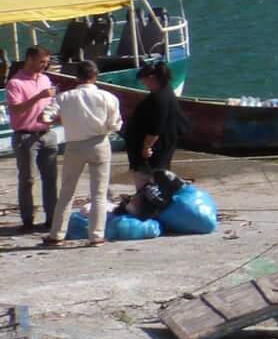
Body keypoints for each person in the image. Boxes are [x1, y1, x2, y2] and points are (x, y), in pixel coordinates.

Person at [49, 61, 122, 246]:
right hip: (99, 143)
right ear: (95, 76)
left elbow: (46, 116)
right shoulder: (108, 97)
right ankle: (96, 236)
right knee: (98, 193)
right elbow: (116, 125)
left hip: (74, 145)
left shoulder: (64, 97)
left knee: (67, 191)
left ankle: (57, 234)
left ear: (77, 77)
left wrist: (65, 119)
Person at [6, 45, 59, 234]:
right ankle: (27, 220)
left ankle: (52, 218)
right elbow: (16, 109)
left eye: (46, 62)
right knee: (27, 179)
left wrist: (55, 114)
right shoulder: (15, 83)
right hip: (25, 135)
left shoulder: (45, 79)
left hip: (47, 133)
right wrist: (38, 97)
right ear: (30, 59)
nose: (44, 66)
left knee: (51, 178)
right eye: (41, 62)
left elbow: (52, 103)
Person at [126, 60, 184, 212]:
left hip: (156, 148)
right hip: (163, 143)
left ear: (151, 77)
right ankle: (150, 208)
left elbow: (156, 127)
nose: (144, 84)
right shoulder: (165, 92)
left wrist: (146, 146)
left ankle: (148, 210)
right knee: (156, 179)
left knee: (150, 180)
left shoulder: (159, 98)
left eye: (144, 81)